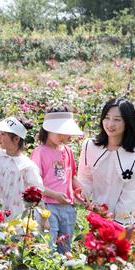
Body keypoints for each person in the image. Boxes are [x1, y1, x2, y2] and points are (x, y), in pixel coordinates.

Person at [77, 97, 135, 225]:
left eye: (117, 120)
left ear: (128, 122)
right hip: (96, 217)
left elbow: (132, 193)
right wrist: (82, 198)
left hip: (126, 221)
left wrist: (115, 223)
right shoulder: (90, 146)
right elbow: (84, 179)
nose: (110, 124)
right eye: (107, 118)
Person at [31, 108, 84, 254]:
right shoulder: (40, 152)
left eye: (66, 132)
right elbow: (35, 184)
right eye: (60, 132)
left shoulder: (67, 151)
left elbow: (71, 176)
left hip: (68, 207)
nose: (64, 136)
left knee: (66, 245)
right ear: (47, 130)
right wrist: (55, 195)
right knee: (48, 245)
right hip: (47, 206)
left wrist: (81, 190)